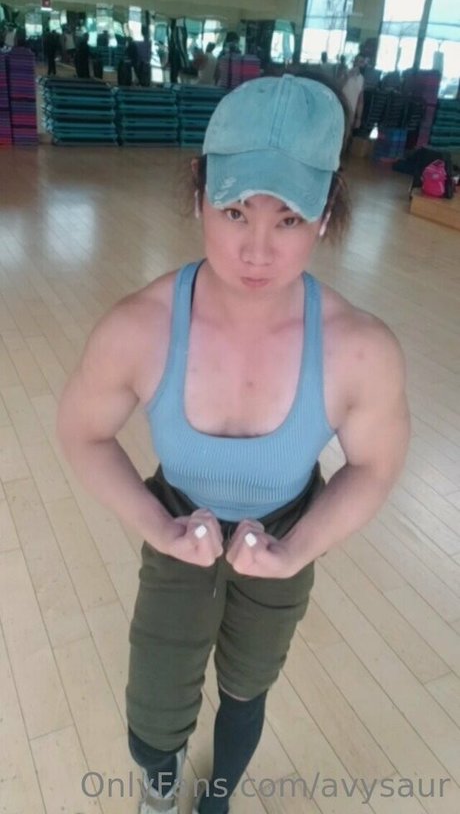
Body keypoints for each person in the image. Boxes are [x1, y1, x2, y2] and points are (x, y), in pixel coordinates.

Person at [57, 74, 410, 814]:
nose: (257, 249)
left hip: (287, 527)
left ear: (325, 216)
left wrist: (298, 549)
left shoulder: (359, 348)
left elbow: (376, 466)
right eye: (234, 210)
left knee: (248, 687)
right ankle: (161, 792)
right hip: (177, 516)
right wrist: (158, 526)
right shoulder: (139, 327)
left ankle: (216, 799)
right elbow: (82, 433)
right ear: (199, 196)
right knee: (154, 710)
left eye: (289, 219)